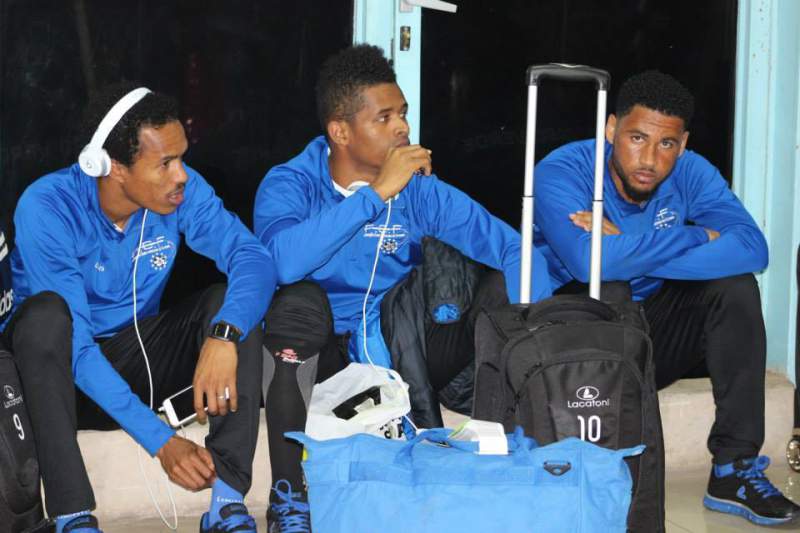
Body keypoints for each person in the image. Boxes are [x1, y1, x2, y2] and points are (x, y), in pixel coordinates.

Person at [253, 44, 552, 532]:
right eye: (385, 118)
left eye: (404, 114)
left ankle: (506, 455)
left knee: (503, 288)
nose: (403, 129)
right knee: (296, 301)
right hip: (319, 356)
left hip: (400, 346)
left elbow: (513, 250)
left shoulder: (419, 190)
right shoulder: (291, 183)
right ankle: (289, 497)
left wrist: (538, 331)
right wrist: (374, 196)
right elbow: (282, 263)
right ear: (340, 131)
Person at [1, 83, 275, 533]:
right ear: (110, 167)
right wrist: (162, 442)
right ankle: (72, 516)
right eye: (165, 163)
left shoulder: (179, 193)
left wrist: (224, 334)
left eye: (182, 158)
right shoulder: (48, 206)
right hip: (57, 380)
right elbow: (77, 350)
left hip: (135, 359)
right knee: (46, 317)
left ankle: (226, 503)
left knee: (226, 304)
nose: (181, 175)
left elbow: (253, 259)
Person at [533, 70, 799, 526]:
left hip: (652, 336)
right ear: (611, 128)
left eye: (667, 144)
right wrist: (694, 236)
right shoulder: (565, 170)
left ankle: (733, 470)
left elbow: (752, 249)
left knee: (734, 288)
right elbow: (589, 264)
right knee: (611, 286)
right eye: (637, 138)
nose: (650, 159)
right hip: (577, 348)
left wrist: (628, 247)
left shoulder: (691, 171)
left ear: (683, 143)